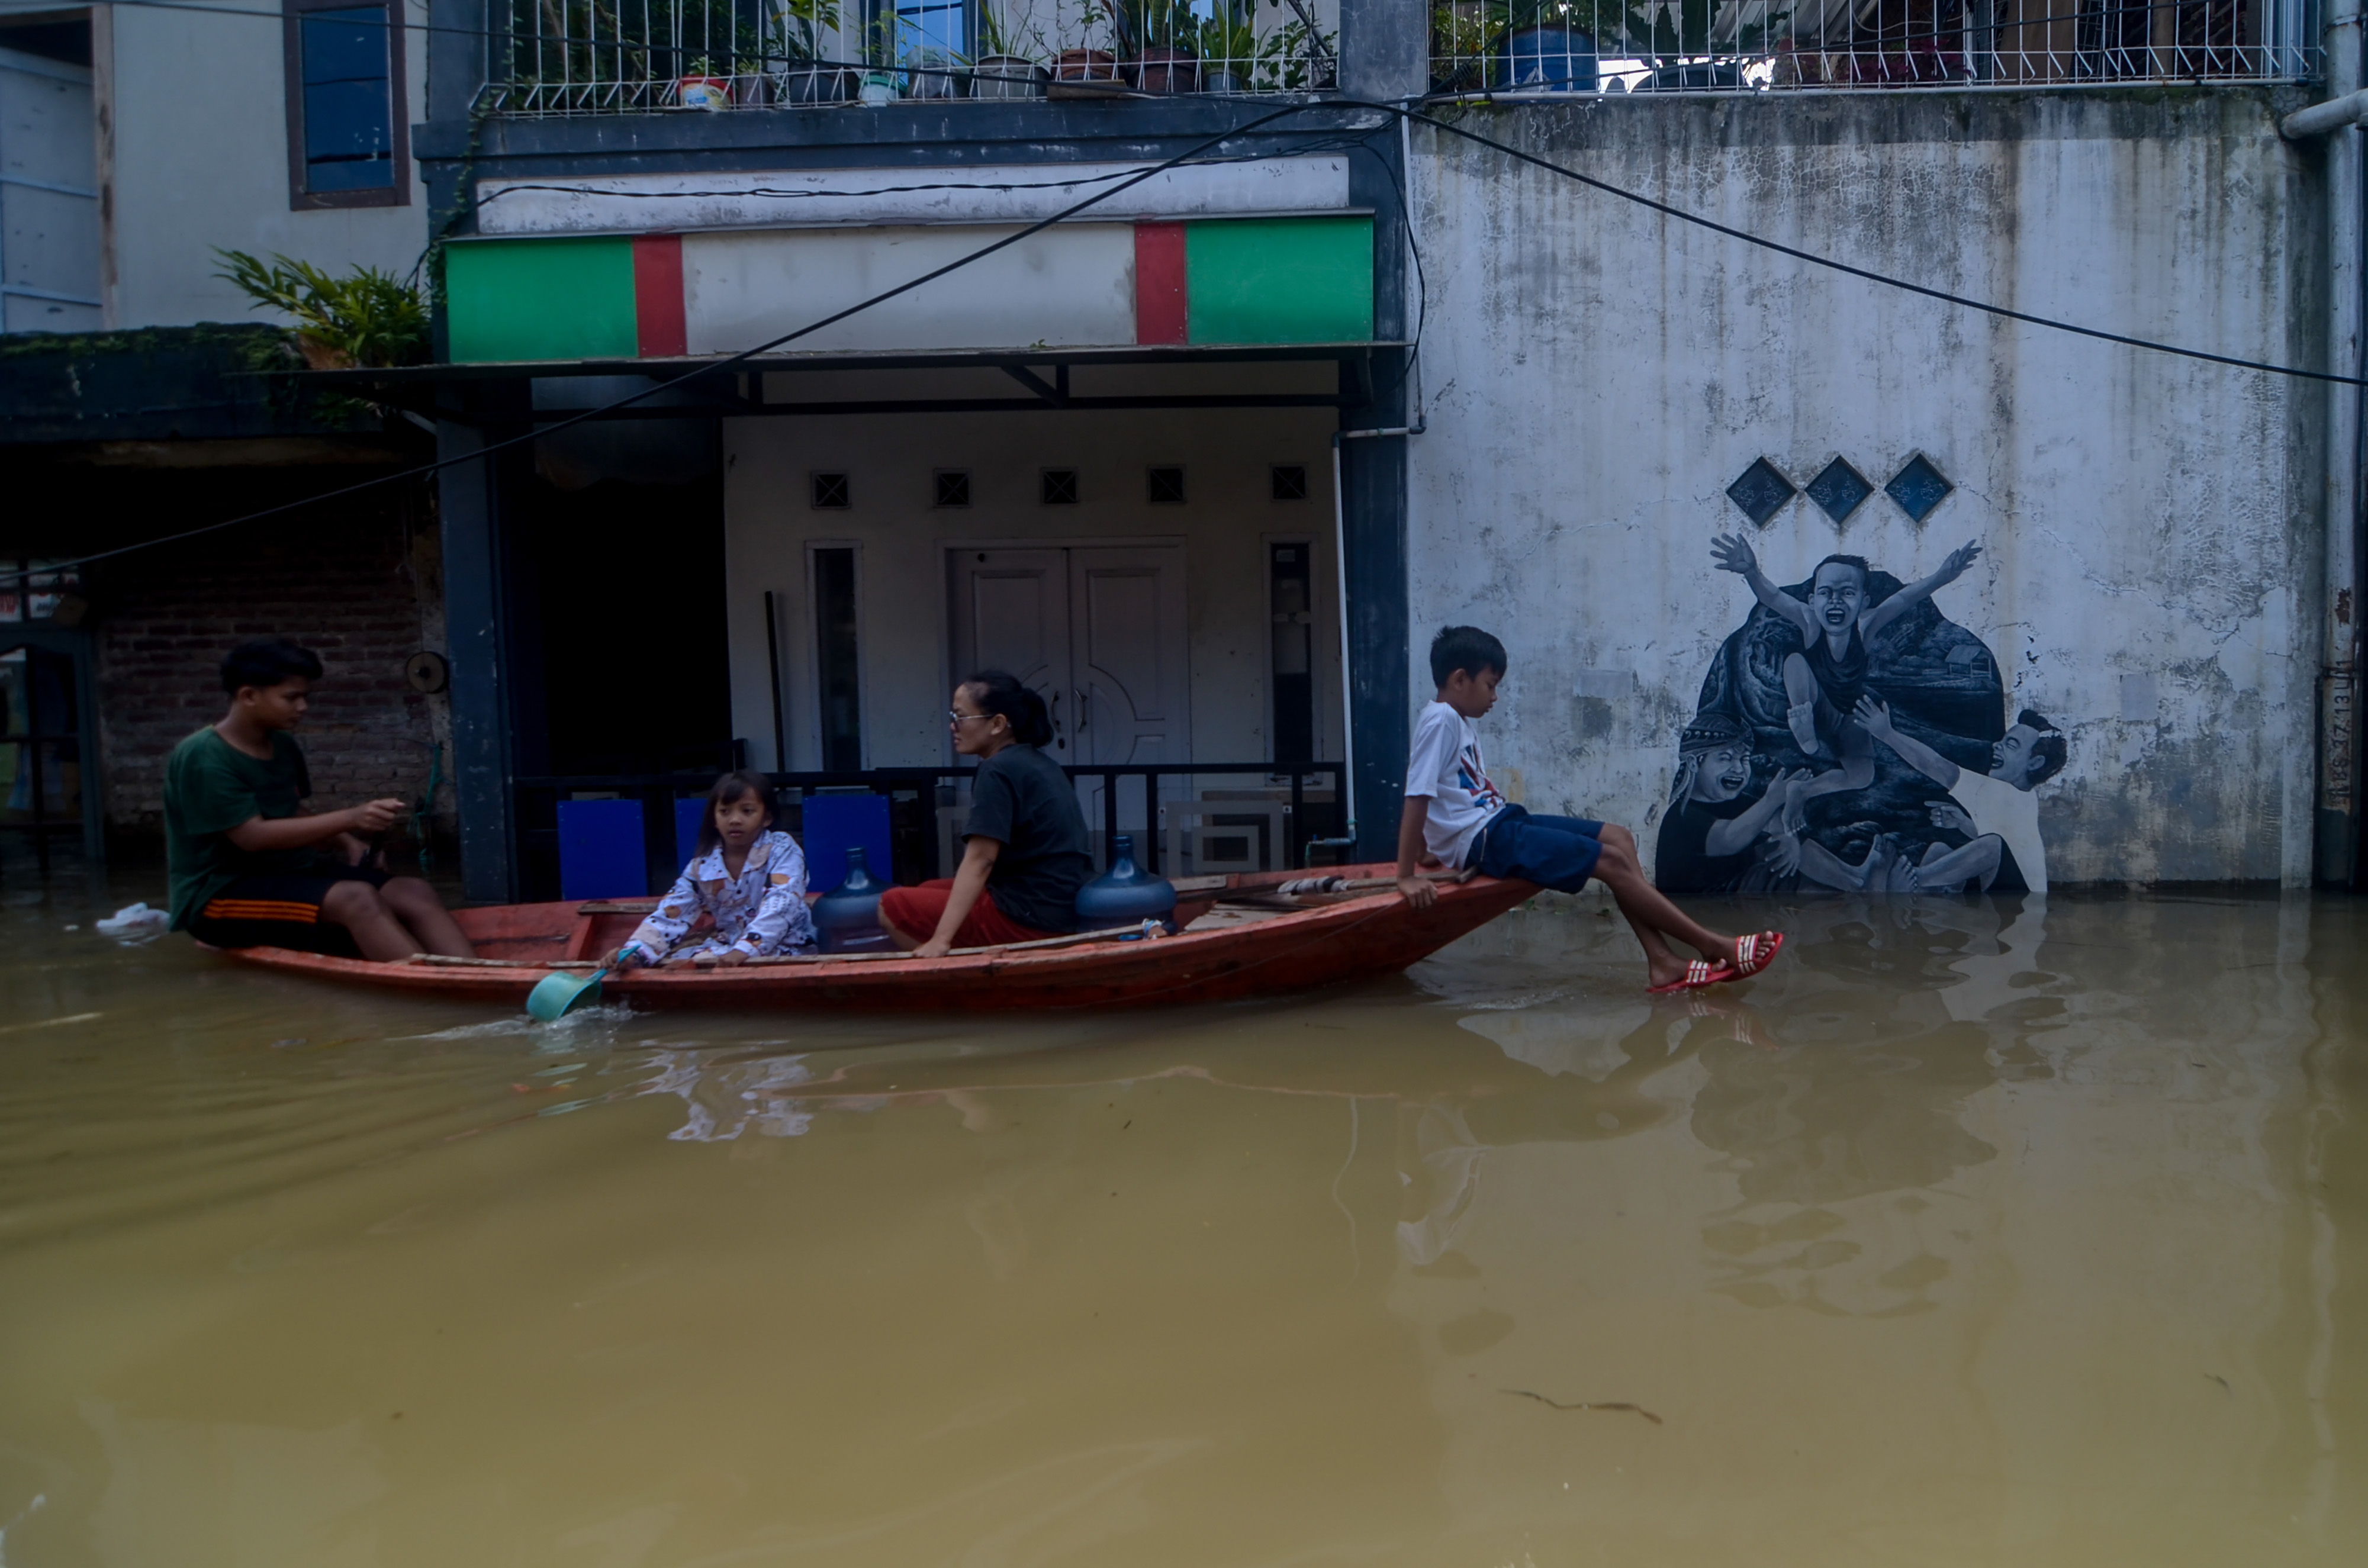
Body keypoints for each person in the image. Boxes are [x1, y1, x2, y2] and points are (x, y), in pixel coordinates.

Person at [1397, 626, 1783, 993]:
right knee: (1609, 861)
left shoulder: (1457, 721)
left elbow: (1444, 793)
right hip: (1485, 839)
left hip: (1498, 822)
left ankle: (1662, 959)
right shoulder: (1441, 721)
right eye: (1490, 685)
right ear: (1460, 679)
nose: (1494, 697)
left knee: (1619, 838)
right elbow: (1417, 795)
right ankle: (1712, 944)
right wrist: (1406, 876)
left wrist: (1430, 849)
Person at [164, 638, 475, 961]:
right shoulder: (204, 756)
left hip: (290, 871)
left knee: (414, 891)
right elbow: (251, 837)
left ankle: (476, 975)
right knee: (357, 898)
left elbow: (290, 809)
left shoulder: (282, 744)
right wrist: (350, 818)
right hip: (219, 895)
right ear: (248, 696)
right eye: (291, 698)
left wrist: (349, 843)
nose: (303, 707)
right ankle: (431, 985)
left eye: (305, 697)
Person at [1709, 535, 1981, 817]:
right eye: (1826, 593)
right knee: (1795, 662)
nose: (1836, 600)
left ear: (1864, 602)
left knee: (1861, 776)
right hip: (1812, 704)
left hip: (1849, 714)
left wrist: (1942, 576)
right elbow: (1774, 597)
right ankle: (1805, 731)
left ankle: (1802, 790)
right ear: (1813, 600)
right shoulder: (1810, 623)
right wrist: (1752, 572)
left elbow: (1905, 598)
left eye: (1847, 593)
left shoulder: (1865, 626)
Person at [879, 671, 1094, 958]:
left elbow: (981, 859)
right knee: (930, 888)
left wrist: (941, 940)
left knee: (893, 905)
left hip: (1029, 917)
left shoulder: (997, 769)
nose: (952, 726)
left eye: (960, 717)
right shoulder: (1037, 762)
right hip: (1059, 903)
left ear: (998, 724)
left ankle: (953, 975)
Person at [1855, 694, 2064, 892]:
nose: (1996, 746)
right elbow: (2011, 840)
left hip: (2020, 902)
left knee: (1993, 845)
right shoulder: (2024, 798)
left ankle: (1915, 879)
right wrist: (1962, 823)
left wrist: (1887, 734)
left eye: (2011, 745)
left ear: (2035, 763)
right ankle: (1916, 906)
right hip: (2001, 898)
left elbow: (1935, 765)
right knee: (1939, 850)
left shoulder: (2001, 790)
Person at [610, 769, 815, 968]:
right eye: (725, 812)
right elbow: (673, 911)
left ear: (766, 818)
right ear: (714, 819)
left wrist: (746, 949)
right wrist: (634, 953)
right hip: (729, 948)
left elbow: (782, 902)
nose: (735, 820)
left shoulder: (782, 849)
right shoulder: (704, 864)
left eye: (747, 811)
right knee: (679, 964)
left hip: (789, 945)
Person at [1654, 710, 1812, 893]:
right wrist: (1772, 800)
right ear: (1694, 763)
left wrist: (1792, 840)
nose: (1738, 769)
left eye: (1744, 759)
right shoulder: (1681, 817)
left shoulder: (1746, 804)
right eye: (1725, 758)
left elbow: (1781, 828)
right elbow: (1727, 840)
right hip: (1693, 909)